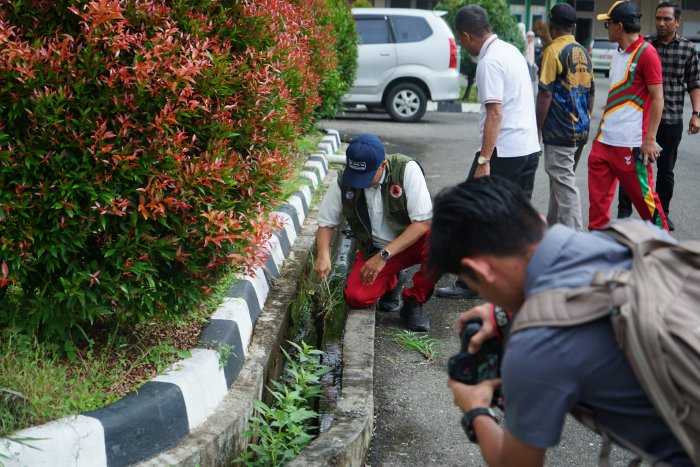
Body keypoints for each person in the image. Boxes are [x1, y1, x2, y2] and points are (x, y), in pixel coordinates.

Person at [429, 176, 692, 466]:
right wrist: (505, 313)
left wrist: (475, 409)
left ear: (479, 270)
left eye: (475, 286)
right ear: (537, 218)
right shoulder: (634, 234)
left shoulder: (536, 345)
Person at [436, 4, 541, 300]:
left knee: (475, 212)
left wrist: (484, 159)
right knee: (517, 216)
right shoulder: (511, 50)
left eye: (460, 39)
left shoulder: (490, 61)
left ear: (466, 35)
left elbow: (495, 113)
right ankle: (520, 276)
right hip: (528, 148)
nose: (461, 44)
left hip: (504, 152)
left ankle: (470, 283)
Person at [314, 134, 436, 332]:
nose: (361, 183)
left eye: (367, 176)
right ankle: (392, 279)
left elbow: (423, 222)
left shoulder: (406, 169)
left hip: (411, 242)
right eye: (356, 177)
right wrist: (323, 254)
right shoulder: (344, 181)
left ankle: (414, 301)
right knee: (357, 297)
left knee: (443, 245)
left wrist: (384, 256)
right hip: (374, 249)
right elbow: (326, 223)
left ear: (382, 165)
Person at [617, 1, 700, 231]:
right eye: (658, 18)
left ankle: (662, 213)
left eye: (667, 19)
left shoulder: (687, 49)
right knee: (630, 166)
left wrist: (696, 113)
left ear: (678, 22)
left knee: (666, 171)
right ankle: (624, 213)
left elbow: (694, 82)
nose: (661, 23)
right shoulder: (644, 45)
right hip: (640, 120)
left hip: (671, 119)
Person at [588, 0, 668, 231]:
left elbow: (658, 99)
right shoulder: (619, 52)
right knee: (597, 210)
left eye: (609, 24)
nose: (608, 29)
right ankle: (596, 252)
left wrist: (650, 140)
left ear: (619, 26)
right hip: (603, 144)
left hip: (630, 146)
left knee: (647, 205)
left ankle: (666, 251)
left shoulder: (647, 54)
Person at [536, 3, 594, 232]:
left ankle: (577, 240)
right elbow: (591, 94)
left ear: (553, 24)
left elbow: (545, 93)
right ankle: (553, 231)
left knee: (564, 184)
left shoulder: (553, 51)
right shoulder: (582, 52)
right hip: (581, 129)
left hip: (559, 130)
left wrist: (537, 128)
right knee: (558, 182)